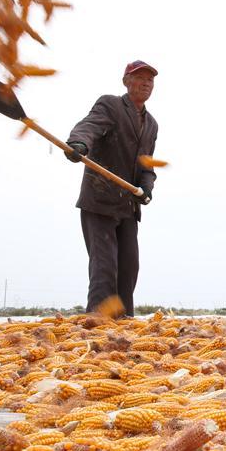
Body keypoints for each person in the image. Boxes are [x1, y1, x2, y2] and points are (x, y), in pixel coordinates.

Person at [64, 61, 159, 317]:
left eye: (150, 79)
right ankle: (97, 323)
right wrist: (79, 144)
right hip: (100, 200)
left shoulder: (151, 124)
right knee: (104, 266)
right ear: (126, 81)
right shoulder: (111, 105)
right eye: (139, 77)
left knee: (129, 267)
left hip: (128, 206)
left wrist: (146, 188)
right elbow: (90, 126)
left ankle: (123, 323)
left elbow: (146, 165)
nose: (146, 83)